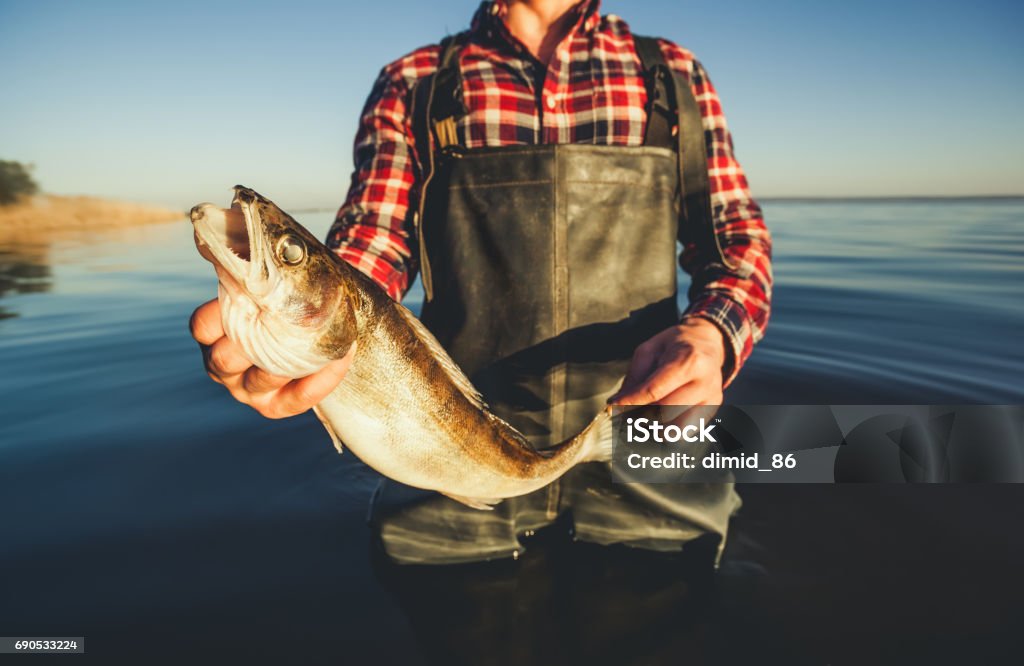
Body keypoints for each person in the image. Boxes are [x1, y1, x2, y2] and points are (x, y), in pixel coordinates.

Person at [190, 0, 772, 555]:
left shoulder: (672, 73)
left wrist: (712, 336)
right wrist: (304, 332)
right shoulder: (415, 81)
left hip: (648, 426)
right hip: (443, 443)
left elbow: (735, 241)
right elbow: (375, 240)